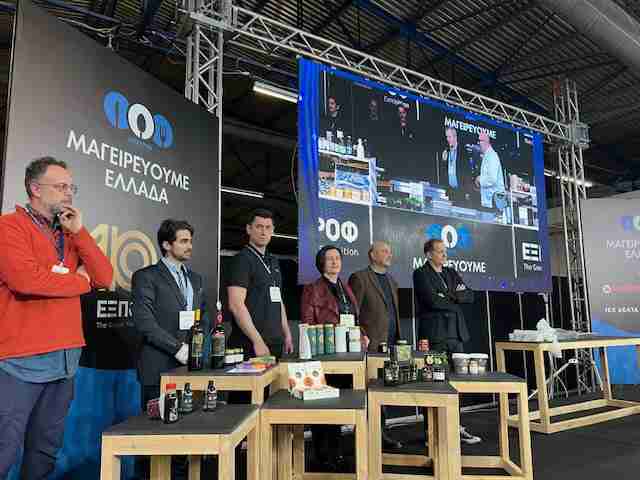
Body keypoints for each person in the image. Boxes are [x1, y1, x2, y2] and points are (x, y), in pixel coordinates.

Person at [0, 156, 113, 479]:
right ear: (35, 189)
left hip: (65, 362)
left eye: (71, 187)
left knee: (45, 451)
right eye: (61, 186)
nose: (68, 193)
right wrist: (79, 282)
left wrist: (79, 232)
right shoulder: (9, 226)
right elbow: (26, 280)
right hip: (20, 361)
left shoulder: (69, 233)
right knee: (5, 448)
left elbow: (104, 277)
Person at [131, 219, 209, 479]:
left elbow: (203, 315)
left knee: (184, 435)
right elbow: (144, 322)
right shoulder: (146, 277)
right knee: (153, 438)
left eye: (190, 241)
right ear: (166, 244)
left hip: (190, 368)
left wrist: (196, 344)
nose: (190, 246)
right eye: (183, 241)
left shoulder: (196, 279)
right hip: (158, 368)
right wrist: (177, 348)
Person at [301, 245, 368, 471]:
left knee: (339, 404)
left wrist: (362, 334)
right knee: (323, 405)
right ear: (321, 263)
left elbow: (354, 318)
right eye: (329, 258)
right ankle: (322, 456)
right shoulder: (312, 289)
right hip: (324, 354)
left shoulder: (345, 287)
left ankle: (336, 452)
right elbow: (307, 323)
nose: (334, 262)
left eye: (337, 258)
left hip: (347, 353)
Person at [413, 238, 482, 444]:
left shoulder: (451, 272)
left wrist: (448, 295)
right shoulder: (421, 274)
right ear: (428, 254)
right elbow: (432, 301)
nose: (444, 255)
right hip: (435, 336)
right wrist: (454, 296)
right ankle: (432, 431)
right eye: (440, 251)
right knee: (434, 383)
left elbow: (469, 295)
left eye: (445, 251)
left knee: (455, 384)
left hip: (456, 334)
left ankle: (456, 427)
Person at [349, 241, 403, 449]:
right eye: (384, 251)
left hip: (391, 345)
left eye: (390, 251)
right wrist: (362, 336)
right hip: (370, 346)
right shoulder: (360, 278)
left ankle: (380, 433)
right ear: (372, 254)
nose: (389, 254)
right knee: (369, 391)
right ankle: (367, 436)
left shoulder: (392, 281)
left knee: (384, 390)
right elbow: (353, 314)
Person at [227, 208, 293, 359]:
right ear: (249, 229)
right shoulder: (242, 260)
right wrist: (257, 341)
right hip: (250, 344)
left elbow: (278, 300)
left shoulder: (273, 261)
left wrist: (287, 333)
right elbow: (236, 305)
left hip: (275, 343)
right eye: (259, 227)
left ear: (273, 231)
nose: (264, 232)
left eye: (268, 227)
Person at [475, 131, 505, 209]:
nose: (478, 143)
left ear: (486, 142)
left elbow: (492, 179)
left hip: (494, 202)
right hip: (490, 202)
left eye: (480, 141)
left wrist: (479, 179)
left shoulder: (492, 156)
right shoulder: (487, 155)